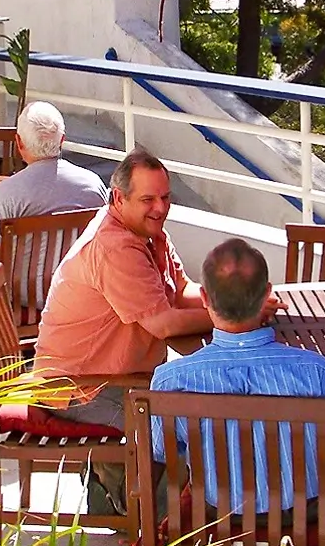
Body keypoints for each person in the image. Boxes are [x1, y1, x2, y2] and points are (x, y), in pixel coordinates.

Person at [32, 149, 241, 513]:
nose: (160, 207)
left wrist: (234, 297)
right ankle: (156, 516)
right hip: (78, 385)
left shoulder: (146, 230)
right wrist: (232, 315)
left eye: (165, 197)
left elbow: (183, 290)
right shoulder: (116, 246)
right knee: (184, 422)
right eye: (148, 199)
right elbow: (163, 323)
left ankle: (114, 493)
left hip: (118, 374)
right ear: (119, 198)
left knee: (196, 400)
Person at [149, 238, 325, 516]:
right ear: (267, 294)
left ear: (205, 297)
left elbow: (161, 451)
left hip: (216, 517)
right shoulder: (319, 374)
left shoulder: (170, 381)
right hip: (310, 516)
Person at [0, 101, 107, 274]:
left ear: (19, 143)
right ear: (62, 140)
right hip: (77, 293)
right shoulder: (93, 184)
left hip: (20, 298)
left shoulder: (7, 194)